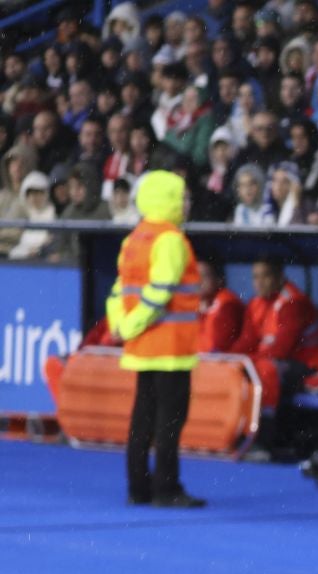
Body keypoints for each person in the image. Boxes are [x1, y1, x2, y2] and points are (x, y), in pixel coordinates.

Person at [112, 169, 206, 508]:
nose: (186, 202)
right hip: (170, 348)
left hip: (142, 347)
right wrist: (134, 325)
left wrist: (123, 326)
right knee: (169, 421)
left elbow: (119, 290)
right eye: (181, 197)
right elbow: (161, 291)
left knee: (142, 419)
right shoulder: (170, 240)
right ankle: (167, 488)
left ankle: (138, 487)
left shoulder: (133, 239)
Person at [233, 257, 318, 446]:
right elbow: (246, 341)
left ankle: (264, 438)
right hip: (280, 363)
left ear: (279, 277)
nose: (259, 282)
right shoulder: (256, 303)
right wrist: (228, 359)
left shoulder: (294, 303)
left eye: (266, 276)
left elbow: (282, 349)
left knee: (265, 370)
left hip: (309, 366)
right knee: (236, 368)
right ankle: (235, 434)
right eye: (255, 277)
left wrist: (248, 361)